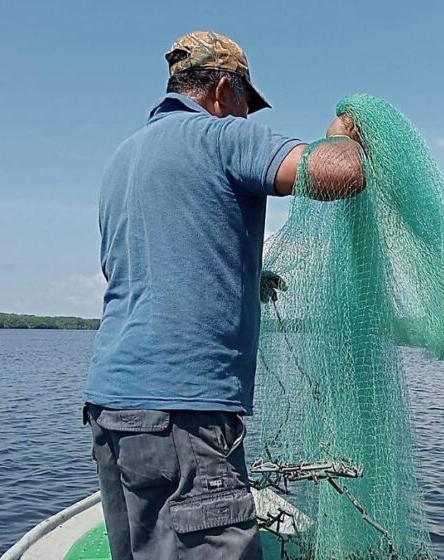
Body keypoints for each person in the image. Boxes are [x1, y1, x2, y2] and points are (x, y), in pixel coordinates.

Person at [82, 31, 365, 560]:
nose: (246, 115)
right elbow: (342, 173)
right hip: (184, 412)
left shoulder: (122, 160)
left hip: (111, 408)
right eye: (245, 103)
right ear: (221, 89)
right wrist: (341, 137)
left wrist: (244, 279)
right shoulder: (220, 136)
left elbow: (141, 267)